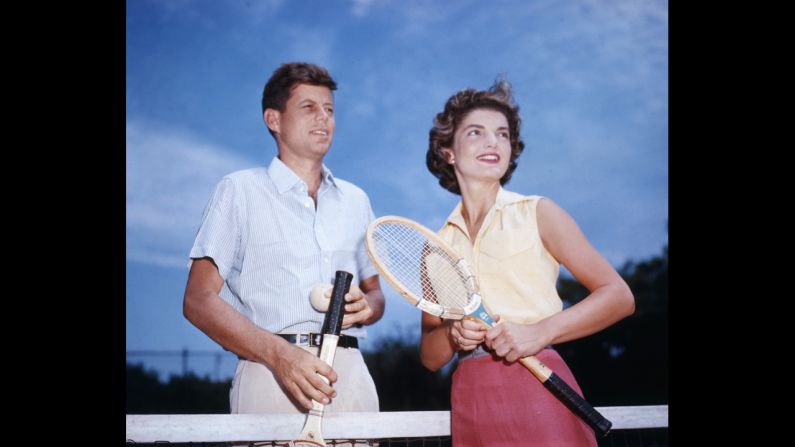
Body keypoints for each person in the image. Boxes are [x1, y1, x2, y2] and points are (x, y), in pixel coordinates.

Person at [421, 79, 635, 447]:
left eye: (502, 135)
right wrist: (454, 336)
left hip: (538, 383)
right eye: (476, 132)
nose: (493, 142)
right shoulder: (435, 248)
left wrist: (540, 332)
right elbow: (430, 355)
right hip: (471, 396)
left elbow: (619, 296)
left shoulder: (539, 212)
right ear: (448, 151)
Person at [183, 62, 384, 421]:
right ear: (273, 120)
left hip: (351, 377)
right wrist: (280, 356)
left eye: (329, 110)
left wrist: (368, 307)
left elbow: (376, 294)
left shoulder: (357, 200)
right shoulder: (239, 190)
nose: (323, 118)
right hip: (269, 374)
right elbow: (198, 300)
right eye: (309, 108)